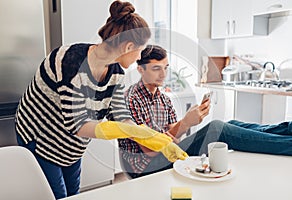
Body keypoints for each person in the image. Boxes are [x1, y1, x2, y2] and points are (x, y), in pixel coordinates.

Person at [15, 2, 187, 199]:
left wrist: (153, 138)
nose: (140, 57)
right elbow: (78, 125)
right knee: (58, 196)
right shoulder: (69, 62)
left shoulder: (116, 73)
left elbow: (121, 116)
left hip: (72, 146)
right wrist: (130, 131)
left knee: (74, 194)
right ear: (128, 46)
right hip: (40, 138)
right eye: (140, 51)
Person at [118, 44, 292, 179]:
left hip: (167, 152)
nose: (163, 75)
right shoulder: (131, 99)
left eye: (166, 68)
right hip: (145, 166)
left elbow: (172, 134)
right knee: (217, 129)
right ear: (140, 69)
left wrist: (191, 119)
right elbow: (150, 149)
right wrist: (186, 123)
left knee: (231, 125)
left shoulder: (162, 98)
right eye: (156, 68)